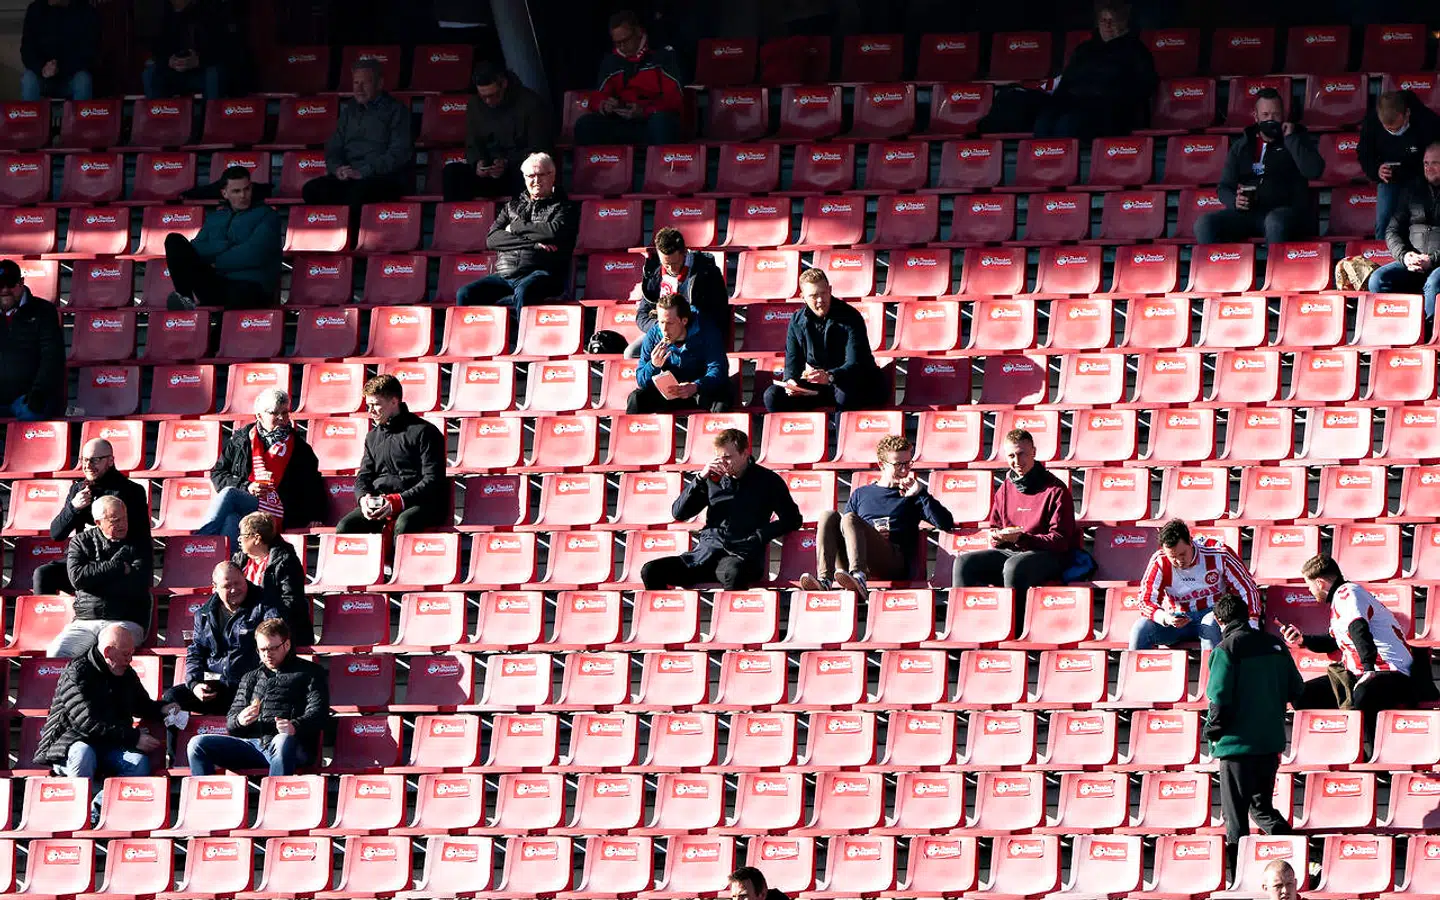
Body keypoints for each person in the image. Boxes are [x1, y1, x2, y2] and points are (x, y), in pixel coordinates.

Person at [1204, 593, 1302, 882]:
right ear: (1248, 615)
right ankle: (1299, 859)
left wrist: (1211, 731)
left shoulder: (1226, 649)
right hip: (1269, 743)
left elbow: (1218, 698)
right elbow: (1296, 690)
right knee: (1262, 809)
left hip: (1236, 748)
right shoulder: (1276, 646)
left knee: (1236, 821)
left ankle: (1237, 880)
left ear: (1220, 621)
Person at [35, 624, 176, 821]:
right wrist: (133, 737)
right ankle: (77, 815)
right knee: (84, 753)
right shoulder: (77, 672)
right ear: (108, 652)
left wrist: (162, 708)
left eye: (132, 653)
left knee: (139, 764)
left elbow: (141, 705)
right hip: (70, 744)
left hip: (109, 744)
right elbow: (87, 722)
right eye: (126, 654)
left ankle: (96, 812)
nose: (130, 659)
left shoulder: (125, 673)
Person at [1280, 554, 1422, 741]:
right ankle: (1339, 749)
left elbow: (1359, 628)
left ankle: (1371, 756)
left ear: (1320, 583)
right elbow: (1334, 642)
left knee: (1362, 694)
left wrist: (1368, 669)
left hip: (1392, 672)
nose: (1309, 589)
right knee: (1303, 695)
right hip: (1362, 671)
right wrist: (1302, 640)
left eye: (1309, 584)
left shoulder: (1348, 593)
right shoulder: (1341, 600)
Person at [641, 428, 802, 591]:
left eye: (728, 457)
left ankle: (732, 616)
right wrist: (699, 479)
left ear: (745, 453)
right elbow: (679, 513)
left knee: (734, 572)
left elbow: (793, 519)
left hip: (740, 555)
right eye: (719, 458)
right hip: (705, 554)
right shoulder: (712, 479)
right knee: (651, 570)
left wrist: (759, 536)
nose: (723, 463)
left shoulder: (768, 480)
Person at [801, 434, 954, 600]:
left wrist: (921, 493)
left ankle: (859, 577)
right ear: (882, 465)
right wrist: (869, 534)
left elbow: (945, 523)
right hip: (855, 558)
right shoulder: (861, 494)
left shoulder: (913, 495)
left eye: (908, 463)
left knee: (850, 518)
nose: (904, 469)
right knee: (828, 516)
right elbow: (845, 529)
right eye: (898, 464)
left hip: (892, 561)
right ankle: (825, 580)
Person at [950, 429, 1078, 625]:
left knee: (1014, 567)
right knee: (964, 562)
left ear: (1034, 452)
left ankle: (1015, 631)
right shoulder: (1005, 488)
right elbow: (995, 526)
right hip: (1013, 551)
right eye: (1011, 455)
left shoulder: (1056, 489)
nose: (1017, 461)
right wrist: (998, 537)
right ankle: (963, 627)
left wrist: (1021, 538)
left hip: (1049, 556)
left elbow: (1060, 541)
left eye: (1022, 454)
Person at [186, 618, 328, 778]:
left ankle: (273, 800)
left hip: (293, 745)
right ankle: (207, 799)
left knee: (282, 740)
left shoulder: (311, 673)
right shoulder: (250, 677)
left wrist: (295, 726)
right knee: (197, 745)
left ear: (286, 645)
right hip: (254, 745)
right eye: (262, 650)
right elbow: (231, 722)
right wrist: (240, 719)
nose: (267, 654)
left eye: (272, 648)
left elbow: (319, 713)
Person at [1196, 88, 1325, 245]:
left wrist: (1291, 140)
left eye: (1276, 115)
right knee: (1205, 224)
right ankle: (1217, 269)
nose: (1271, 119)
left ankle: (1276, 269)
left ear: (1283, 115)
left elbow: (1314, 171)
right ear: (1256, 117)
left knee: (1274, 222)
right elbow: (1224, 187)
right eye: (1265, 115)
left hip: (1286, 212)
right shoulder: (1242, 146)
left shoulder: (1297, 138)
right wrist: (1234, 201)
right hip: (1249, 214)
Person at [199, 387, 325, 547]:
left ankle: (201, 543)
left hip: (279, 510)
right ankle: (227, 565)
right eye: (274, 413)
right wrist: (247, 487)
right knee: (232, 519)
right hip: (248, 504)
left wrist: (315, 516)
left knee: (230, 494)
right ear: (259, 416)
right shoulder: (241, 439)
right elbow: (218, 473)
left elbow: (313, 485)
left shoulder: (300, 448)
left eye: (285, 413)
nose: (282, 418)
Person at [455, 152, 577, 316]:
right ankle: (470, 341)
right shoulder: (511, 207)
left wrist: (516, 227)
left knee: (524, 291)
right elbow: (492, 239)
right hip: (505, 275)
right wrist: (533, 244)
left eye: (540, 175)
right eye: (530, 176)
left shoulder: (564, 207)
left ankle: (523, 340)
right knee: (465, 294)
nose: (535, 180)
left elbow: (553, 232)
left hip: (543, 273)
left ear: (552, 175)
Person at [163, 562, 283, 717]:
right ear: (215, 587)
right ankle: (172, 743)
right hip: (216, 686)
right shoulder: (204, 614)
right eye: (227, 586)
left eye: (238, 583)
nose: (234, 589)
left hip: (250, 687)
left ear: (245, 578)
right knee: (171, 699)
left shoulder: (265, 604)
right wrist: (195, 684)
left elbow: (274, 638)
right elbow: (196, 652)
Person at [35, 438, 151, 596]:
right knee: (44, 574)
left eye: (95, 460)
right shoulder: (78, 489)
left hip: (114, 563)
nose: (87, 465)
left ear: (110, 461)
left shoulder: (131, 491)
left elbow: (139, 537)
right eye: (84, 459)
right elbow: (56, 534)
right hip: (83, 564)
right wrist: (74, 508)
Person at [337, 375, 450, 537]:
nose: (370, 411)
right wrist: (364, 499)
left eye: (376, 405)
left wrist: (398, 501)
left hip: (420, 503)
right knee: (345, 526)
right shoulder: (372, 437)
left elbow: (433, 480)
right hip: (382, 503)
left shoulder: (425, 432)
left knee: (403, 523)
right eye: (368, 405)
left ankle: (400, 563)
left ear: (394, 402)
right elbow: (363, 477)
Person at [762, 269, 884, 413]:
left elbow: (855, 363)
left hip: (854, 381)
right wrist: (791, 381)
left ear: (830, 290)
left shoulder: (851, 317)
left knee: (844, 393)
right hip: (818, 385)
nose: (820, 300)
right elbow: (792, 361)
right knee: (772, 395)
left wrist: (830, 376)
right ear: (803, 297)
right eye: (814, 296)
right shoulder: (796, 320)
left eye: (823, 293)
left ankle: (842, 435)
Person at [1132, 519, 1263, 650]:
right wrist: (1166, 618)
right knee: (1141, 627)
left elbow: (1248, 587)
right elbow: (1145, 600)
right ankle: (1133, 669)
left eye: (1182, 554)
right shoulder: (1159, 561)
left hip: (1214, 614)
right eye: (1173, 557)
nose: (1179, 561)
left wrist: (1252, 621)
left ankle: (1214, 669)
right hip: (1179, 619)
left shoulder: (1219, 553)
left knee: (1210, 622)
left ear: (1190, 541)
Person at [1033, 0, 1156, 140]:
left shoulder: (1136, 51)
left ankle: (1065, 160)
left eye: (1113, 21)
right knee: (1044, 120)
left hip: (1110, 111)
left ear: (1124, 23)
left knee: (1068, 123)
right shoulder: (1084, 50)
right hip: (1075, 104)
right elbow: (1066, 83)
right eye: (1104, 20)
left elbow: (1144, 87)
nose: (1108, 25)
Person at [163, 166, 282, 311]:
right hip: (217, 283)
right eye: (236, 191)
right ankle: (185, 300)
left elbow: (254, 255)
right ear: (225, 193)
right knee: (174, 240)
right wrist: (225, 245)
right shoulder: (215, 218)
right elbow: (196, 248)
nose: (243, 196)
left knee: (240, 296)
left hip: (251, 285)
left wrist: (215, 262)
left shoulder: (268, 216)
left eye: (247, 189)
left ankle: (215, 334)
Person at [302, 59, 413, 210]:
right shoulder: (349, 110)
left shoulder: (396, 110)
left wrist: (364, 172)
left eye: (365, 83)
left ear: (379, 84)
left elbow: (399, 153)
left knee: (358, 193)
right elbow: (334, 147)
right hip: (350, 176)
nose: (359, 89)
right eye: (356, 83)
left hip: (382, 176)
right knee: (311, 190)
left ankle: (352, 233)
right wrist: (338, 169)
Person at [49, 496, 152, 658]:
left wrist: (94, 581)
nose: (122, 524)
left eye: (124, 518)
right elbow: (77, 579)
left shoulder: (139, 542)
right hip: (85, 620)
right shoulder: (80, 542)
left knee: (109, 652)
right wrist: (117, 567)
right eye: (115, 521)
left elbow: (138, 583)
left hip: (124, 619)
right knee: (56, 653)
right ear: (98, 522)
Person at [443, 62, 554, 202]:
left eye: (493, 95)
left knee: (528, 173)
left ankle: (521, 221)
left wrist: (506, 163)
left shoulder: (531, 104)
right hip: (489, 172)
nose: (488, 101)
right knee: (453, 173)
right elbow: (472, 143)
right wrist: (478, 162)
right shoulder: (475, 105)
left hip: (517, 170)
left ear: (504, 84)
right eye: (483, 97)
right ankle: (455, 222)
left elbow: (540, 149)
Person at [573, 9, 684, 146]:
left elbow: (674, 100)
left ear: (638, 31)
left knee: (662, 123)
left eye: (625, 40)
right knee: (586, 125)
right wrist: (604, 105)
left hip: (651, 120)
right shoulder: (611, 61)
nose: (622, 46)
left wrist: (644, 111)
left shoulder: (663, 55)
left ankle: (659, 166)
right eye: (617, 43)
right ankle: (600, 166)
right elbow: (597, 96)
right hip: (622, 121)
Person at [627, 227, 729, 359]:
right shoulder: (654, 274)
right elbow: (642, 315)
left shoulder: (707, 272)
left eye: (675, 263)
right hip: (662, 334)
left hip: (696, 334)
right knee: (631, 353)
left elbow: (718, 313)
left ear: (684, 253)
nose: (671, 268)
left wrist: (682, 330)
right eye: (666, 264)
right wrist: (662, 327)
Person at [1368, 141, 1440, 321]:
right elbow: (1392, 230)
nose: (1429, 168)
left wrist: (1431, 260)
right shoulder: (1412, 190)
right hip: (1412, 261)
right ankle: (1394, 330)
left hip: (1437, 263)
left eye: (1435, 163)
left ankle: (1430, 338)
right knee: (1378, 279)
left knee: (1434, 283)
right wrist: (1405, 256)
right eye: (1426, 163)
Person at [1358, 91, 1440, 240]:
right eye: (1388, 129)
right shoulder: (1372, 121)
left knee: (1425, 219)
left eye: (1397, 127)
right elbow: (1364, 153)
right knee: (1384, 219)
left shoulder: (1427, 122)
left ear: (1407, 113)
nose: (1394, 132)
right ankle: (1382, 256)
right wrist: (1376, 170)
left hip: (1421, 176)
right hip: (1390, 178)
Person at [629, 294, 730, 414]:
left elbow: (719, 369)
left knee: (722, 400)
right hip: (671, 392)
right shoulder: (654, 336)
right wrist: (653, 365)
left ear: (684, 321)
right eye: (661, 322)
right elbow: (641, 380)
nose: (664, 329)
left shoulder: (707, 331)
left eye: (670, 323)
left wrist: (696, 386)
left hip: (700, 388)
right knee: (637, 398)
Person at [0, 259, 65, 421]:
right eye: (0, 285)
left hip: (29, 399)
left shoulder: (44, 311)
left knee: (31, 413)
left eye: (11, 284)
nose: (5, 290)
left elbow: (52, 356)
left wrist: (39, 391)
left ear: (21, 283)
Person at [233, 512, 311, 646]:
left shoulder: (286, 561)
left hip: (277, 630)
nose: (239, 540)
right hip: (246, 625)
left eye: (242, 536)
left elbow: (291, 602)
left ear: (256, 538)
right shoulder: (240, 560)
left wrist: (260, 620)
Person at [143, 0, 226, 99]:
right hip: (176, 72)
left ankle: (211, 113)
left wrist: (198, 61)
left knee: (213, 74)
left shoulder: (211, 13)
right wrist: (170, 61)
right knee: (150, 73)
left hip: (202, 71)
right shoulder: (167, 16)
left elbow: (224, 50)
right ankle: (158, 113)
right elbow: (158, 50)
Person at [20, 0, 99, 102]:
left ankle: (79, 118)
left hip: (72, 75)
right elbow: (27, 49)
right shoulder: (35, 9)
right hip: (43, 75)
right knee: (28, 79)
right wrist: (42, 69)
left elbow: (89, 52)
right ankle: (30, 117)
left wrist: (60, 68)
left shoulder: (86, 11)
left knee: (84, 80)